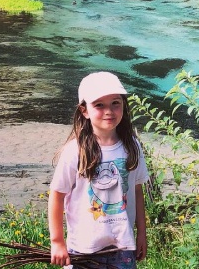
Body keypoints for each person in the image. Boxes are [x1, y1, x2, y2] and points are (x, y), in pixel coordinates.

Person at [48, 71, 149, 268]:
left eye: (115, 103)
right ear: (84, 110)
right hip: (83, 247)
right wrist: (57, 242)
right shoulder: (75, 151)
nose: (109, 111)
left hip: (122, 246)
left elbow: (137, 191)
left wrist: (141, 234)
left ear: (123, 105)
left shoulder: (132, 147)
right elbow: (57, 194)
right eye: (99, 105)